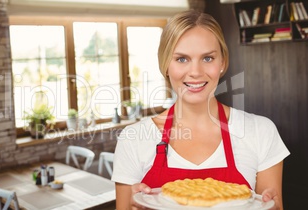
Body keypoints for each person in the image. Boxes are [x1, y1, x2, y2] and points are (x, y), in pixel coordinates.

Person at [111, 10, 290, 210]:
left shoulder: (261, 131)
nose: (195, 72)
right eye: (181, 59)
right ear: (165, 65)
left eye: (207, 58)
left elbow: (272, 205)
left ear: (222, 62)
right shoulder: (133, 139)